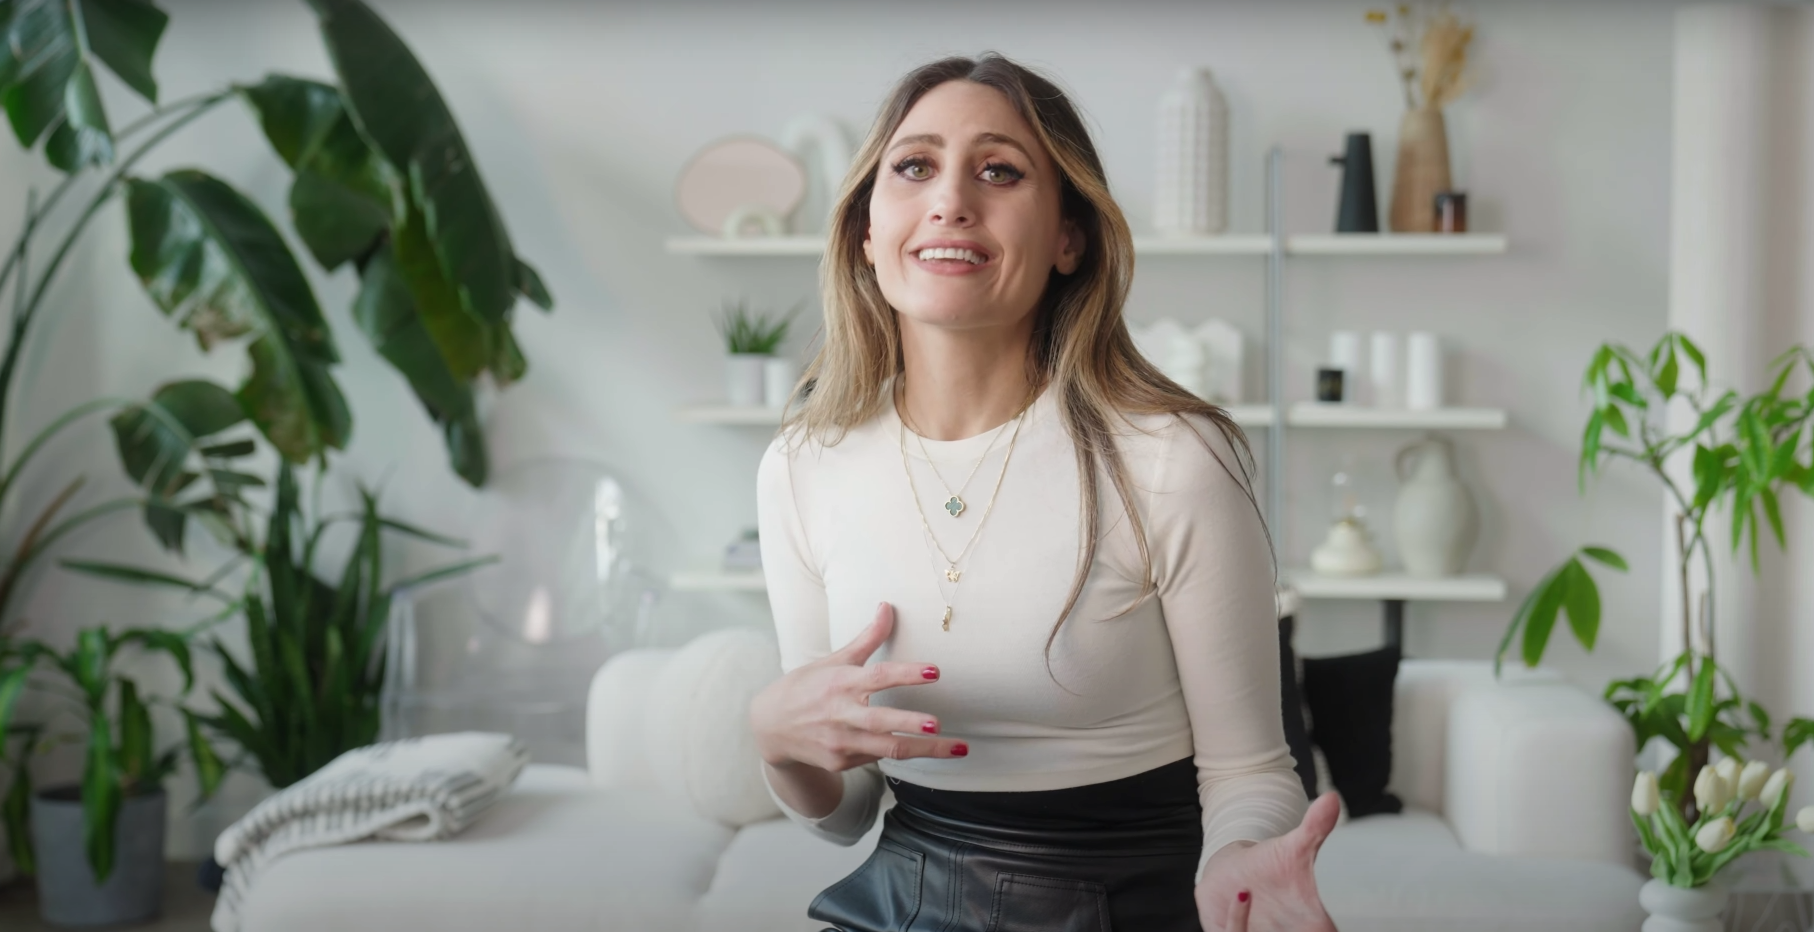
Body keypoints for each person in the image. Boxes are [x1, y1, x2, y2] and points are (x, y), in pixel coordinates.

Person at [749, 53, 1340, 932]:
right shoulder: (801, 465)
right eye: (913, 166)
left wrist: (1242, 866)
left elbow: (1251, 773)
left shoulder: (1173, 458)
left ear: (1070, 236)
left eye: (999, 170)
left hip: (1131, 905)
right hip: (900, 901)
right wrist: (778, 743)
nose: (951, 198)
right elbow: (846, 813)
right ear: (867, 232)